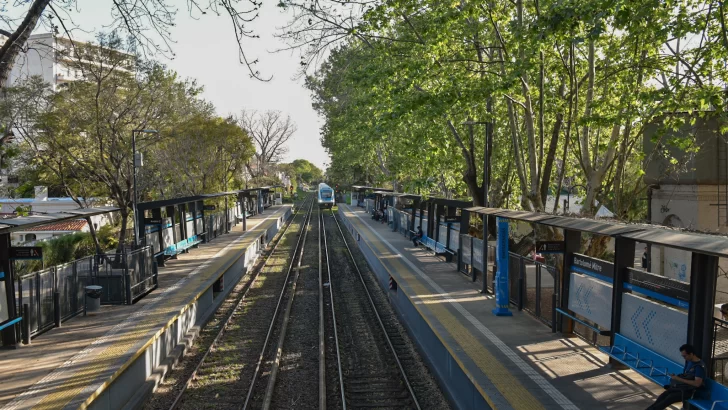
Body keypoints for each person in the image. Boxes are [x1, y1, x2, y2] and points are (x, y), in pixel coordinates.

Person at [646, 344, 705, 410]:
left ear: (691, 354)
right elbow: (686, 376)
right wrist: (676, 378)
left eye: (685, 356)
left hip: (689, 391)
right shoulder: (689, 361)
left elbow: (697, 384)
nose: (684, 358)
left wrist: (678, 379)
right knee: (663, 396)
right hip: (682, 388)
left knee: (668, 399)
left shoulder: (699, 367)